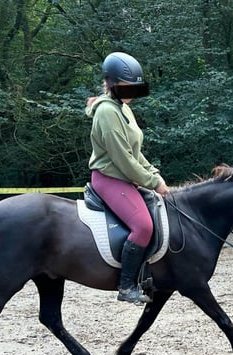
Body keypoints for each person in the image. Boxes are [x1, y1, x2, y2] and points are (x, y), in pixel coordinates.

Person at [86, 51, 170, 304]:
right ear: (112, 83)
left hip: (126, 177)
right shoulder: (107, 112)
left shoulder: (123, 109)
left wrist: (155, 174)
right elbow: (122, 158)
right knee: (143, 226)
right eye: (127, 86)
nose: (132, 92)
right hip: (110, 178)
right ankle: (126, 286)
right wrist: (153, 183)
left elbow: (136, 153)